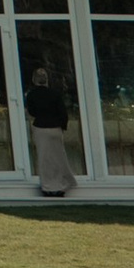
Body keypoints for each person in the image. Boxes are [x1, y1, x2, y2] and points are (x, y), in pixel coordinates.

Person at [25, 59, 83, 199]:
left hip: (41, 128)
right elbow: (63, 112)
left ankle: (48, 187)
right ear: (46, 80)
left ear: (34, 80)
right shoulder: (55, 94)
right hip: (55, 128)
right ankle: (61, 185)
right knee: (58, 157)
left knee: (44, 158)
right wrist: (62, 126)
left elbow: (32, 112)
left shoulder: (31, 95)